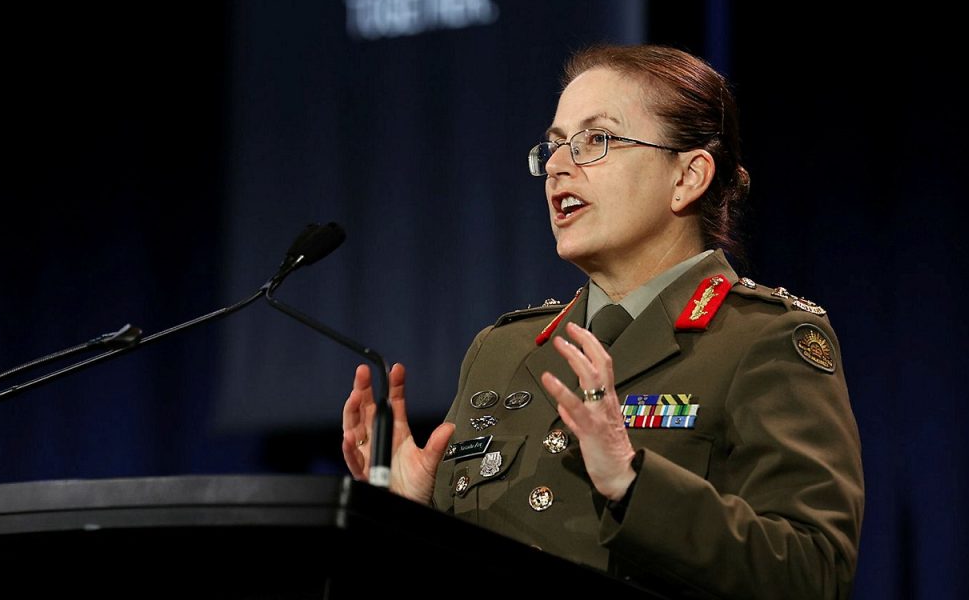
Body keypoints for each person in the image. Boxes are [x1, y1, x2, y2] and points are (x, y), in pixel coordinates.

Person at [341, 43, 864, 599]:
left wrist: (633, 483)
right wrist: (411, 519)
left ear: (687, 177)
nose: (558, 166)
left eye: (597, 140)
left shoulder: (764, 341)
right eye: (555, 145)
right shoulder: (503, 349)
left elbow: (813, 572)